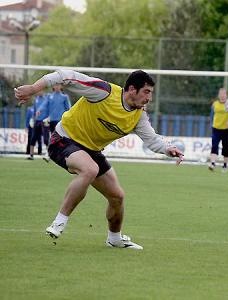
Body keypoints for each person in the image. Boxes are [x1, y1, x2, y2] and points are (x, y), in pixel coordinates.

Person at [15, 69, 184, 250]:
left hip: (91, 151)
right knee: (90, 169)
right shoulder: (103, 92)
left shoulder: (138, 115)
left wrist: (168, 149)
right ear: (132, 89)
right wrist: (33, 88)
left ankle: (115, 239)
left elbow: (152, 140)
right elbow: (64, 75)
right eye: (147, 92)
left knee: (117, 197)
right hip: (64, 139)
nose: (149, 98)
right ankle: (59, 221)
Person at [37, 83, 71, 162]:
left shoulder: (64, 97)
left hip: (60, 122)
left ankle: (50, 154)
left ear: (61, 86)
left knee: (59, 138)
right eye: (55, 85)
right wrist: (39, 109)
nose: (57, 87)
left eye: (58, 85)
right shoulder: (49, 96)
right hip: (51, 120)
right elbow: (44, 104)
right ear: (53, 86)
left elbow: (69, 109)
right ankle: (50, 154)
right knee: (52, 138)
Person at [208, 88, 228, 173]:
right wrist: (211, 124)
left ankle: (225, 165)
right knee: (214, 145)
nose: (222, 95)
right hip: (216, 129)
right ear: (218, 95)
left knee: (226, 147)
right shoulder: (215, 104)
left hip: (227, 130)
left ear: (226, 95)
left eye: (224, 94)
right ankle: (212, 163)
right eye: (220, 94)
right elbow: (211, 115)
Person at [26, 90, 48, 160]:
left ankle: (48, 155)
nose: (39, 92)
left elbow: (49, 109)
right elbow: (35, 111)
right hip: (37, 121)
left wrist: (48, 118)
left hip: (44, 121)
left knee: (46, 139)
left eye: (41, 91)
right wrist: (33, 119)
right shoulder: (36, 99)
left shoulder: (46, 99)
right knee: (33, 138)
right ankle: (31, 155)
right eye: (38, 91)